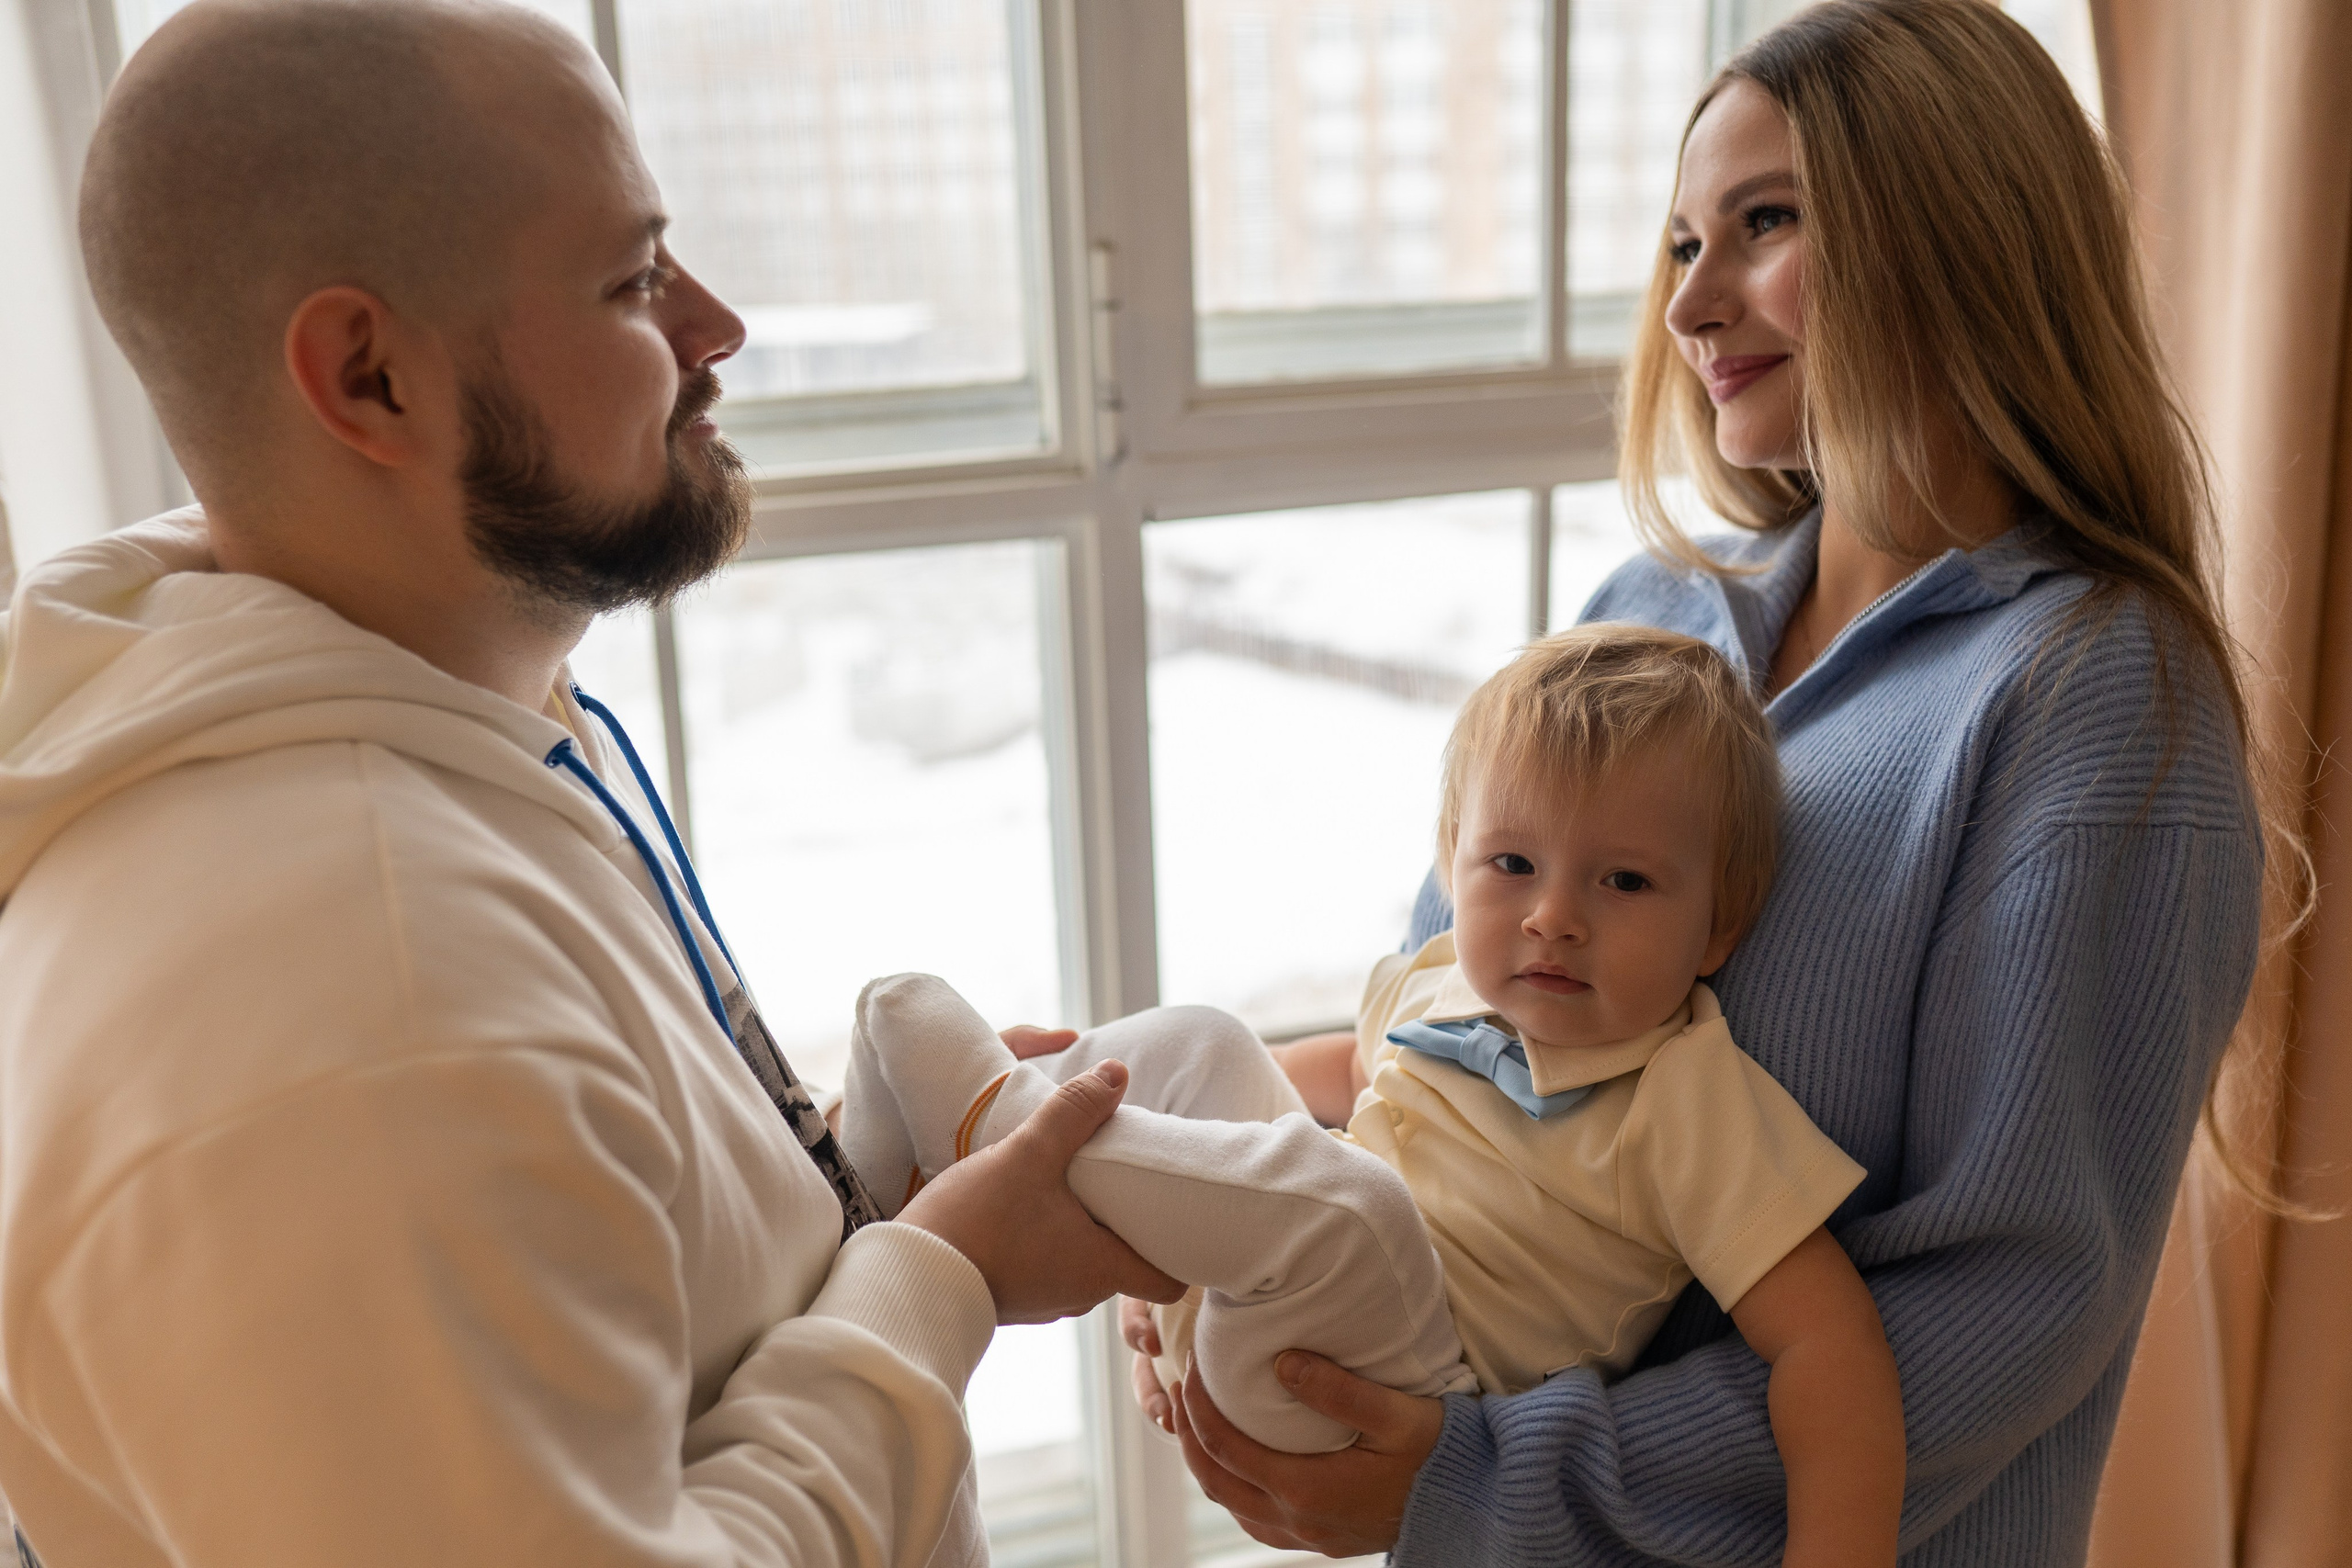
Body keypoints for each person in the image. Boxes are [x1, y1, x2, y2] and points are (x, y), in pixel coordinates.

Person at [0, 2, 1179, 1564]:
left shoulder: (446, 708)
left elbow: (572, 1290)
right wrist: (940, 1277)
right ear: (370, 377)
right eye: (633, 281)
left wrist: (843, 1188)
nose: (717, 326)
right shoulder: (361, 1010)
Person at [1133, 3, 2277, 1563]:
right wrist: (1225, 1230)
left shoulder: (2098, 700)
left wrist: (1483, 1476)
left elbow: (2007, 1310)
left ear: (1958, 232)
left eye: (1764, 223)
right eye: (1682, 242)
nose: (1688, 302)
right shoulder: (1650, 610)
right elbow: (1444, 1027)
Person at [849, 625, 1905, 1564]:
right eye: (1512, 862)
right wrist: (1185, 1177)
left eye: (1622, 881)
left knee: (1354, 1203)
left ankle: (1002, 1131)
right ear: (1452, 864)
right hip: (1258, 1294)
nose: (1551, 916)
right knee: (1212, 1039)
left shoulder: (1689, 1096)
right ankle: (917, 1152)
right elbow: (1345, 1074)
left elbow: (1828, 1345)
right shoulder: (1438, 979)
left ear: (1718, 927)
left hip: (1378, 1399)